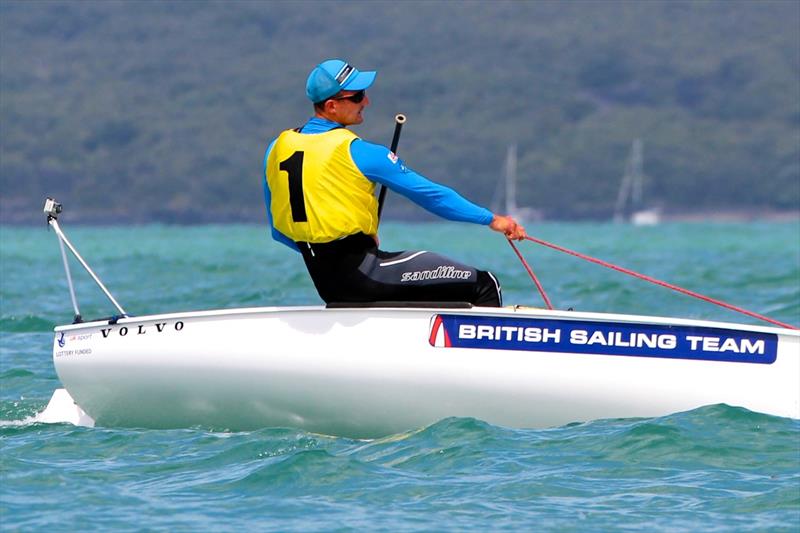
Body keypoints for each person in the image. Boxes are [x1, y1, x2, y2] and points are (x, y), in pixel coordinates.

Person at [262, 59, 527, 307]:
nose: (366, 100)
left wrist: (326, 253)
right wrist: (493, 220)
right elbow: (432, 196)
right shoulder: (358, 151)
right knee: (483, 284)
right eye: (356, 97)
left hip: (327, 284)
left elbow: (278, 229)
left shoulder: (276, 148)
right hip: (365, 275)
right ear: (332, 106)